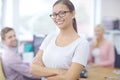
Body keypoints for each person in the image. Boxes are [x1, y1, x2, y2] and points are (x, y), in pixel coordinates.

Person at [30, 0, 89, 80]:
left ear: (73, 14)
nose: (57, 18)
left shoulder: (81, 44)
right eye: (54, 14)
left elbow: (70, 78)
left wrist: (43, 72)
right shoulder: (50, 37)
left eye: (62, 13)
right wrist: (59, 71)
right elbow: (33, 69)